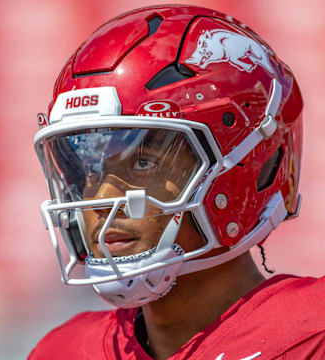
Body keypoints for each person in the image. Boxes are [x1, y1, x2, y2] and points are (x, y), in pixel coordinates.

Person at [29, 5, 325, 359]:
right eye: (90, 170)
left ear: (243, 167)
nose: (100, 198)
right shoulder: (65, 351)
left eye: (143, 162)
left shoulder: (311, 335)